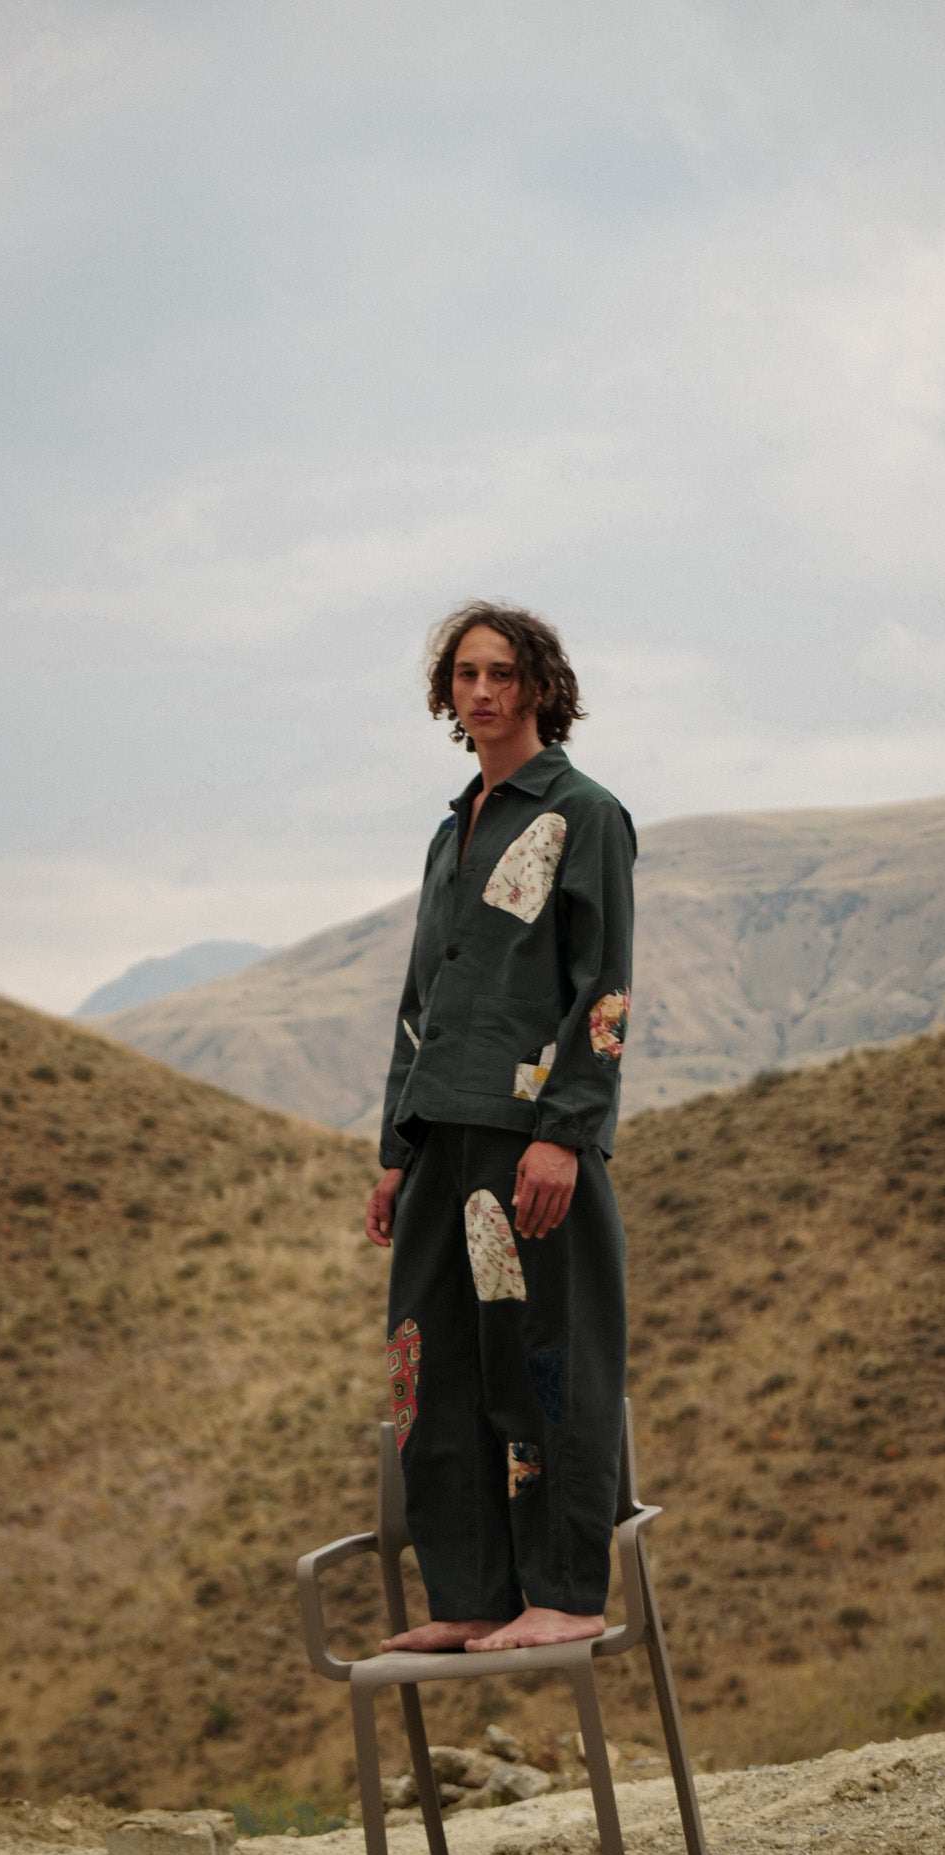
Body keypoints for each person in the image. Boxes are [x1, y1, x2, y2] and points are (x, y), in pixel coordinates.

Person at [364, 601, 636, 1654]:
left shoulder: (586, 811)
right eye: (467, 674)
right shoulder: (451, 831)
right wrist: (396, 1147)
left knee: (551, 1360)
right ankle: (472, 1593)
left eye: (504, 673)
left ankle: (567, 1589)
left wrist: (566, 1130)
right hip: (440, 1136)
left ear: (540, 686)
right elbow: (419, 997)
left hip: (532, 1139)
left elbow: (602, 985)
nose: (483, 691)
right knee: (433, 1368)